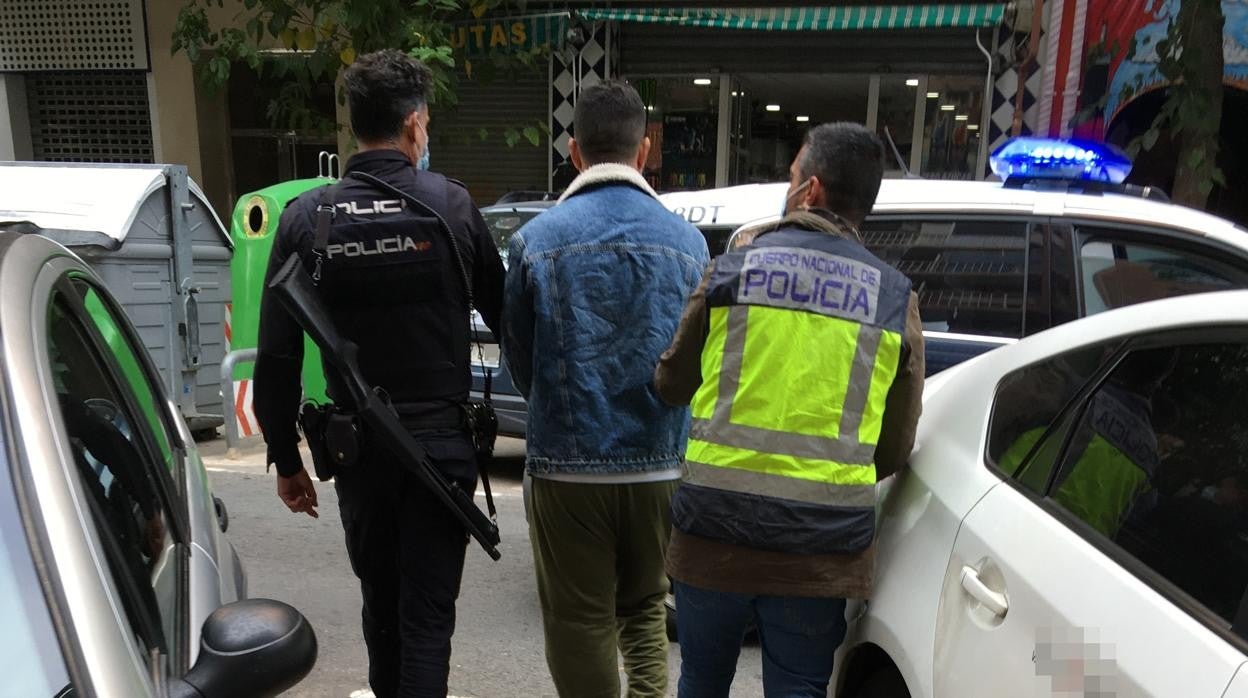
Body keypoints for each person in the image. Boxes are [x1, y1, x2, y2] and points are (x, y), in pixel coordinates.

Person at [252, 49, 504, 698]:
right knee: (425, 624)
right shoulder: (451, 207)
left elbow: (276, 355)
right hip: (441, 455)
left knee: (382, 615)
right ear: (415, 125)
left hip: (358, 453)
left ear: (355, 127)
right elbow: (510, 322)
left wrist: (285, 460)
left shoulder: (308, 218)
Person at [653, 122, 925, 698]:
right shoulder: (894, 298)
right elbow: (895, 447)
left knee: (700, 680)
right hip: (819, 554)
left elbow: (672, 384)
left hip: (713, 536)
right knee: (799, 689)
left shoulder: (731, 271)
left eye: (793, 173)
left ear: (811, 191)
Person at [501, 80, 709, 698]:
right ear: (644, 150)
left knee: (579, 620)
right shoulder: (690, 244)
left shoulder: (536, 242)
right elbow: (696, 361)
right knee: (645, 607)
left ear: (574, 151)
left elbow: (522, 360)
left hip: (568, 469)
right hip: (662, 462)